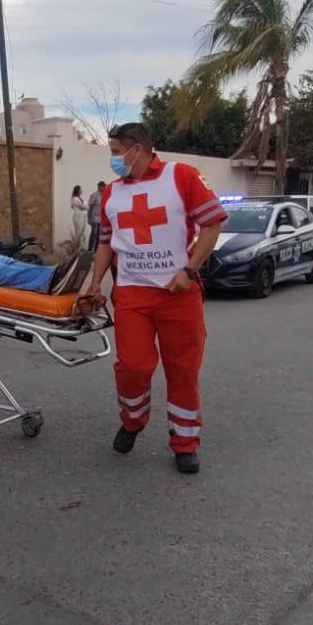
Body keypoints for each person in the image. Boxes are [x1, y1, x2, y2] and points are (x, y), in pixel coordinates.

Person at [85, 122, 225, 475]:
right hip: (132, 293)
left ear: (137, 148)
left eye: (116, 152)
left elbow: (212, 225)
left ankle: (185, 443)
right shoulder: (111, 195)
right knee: (132, 366)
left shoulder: (182, 176)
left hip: (178, 294)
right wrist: (94, 284)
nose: (113, 160)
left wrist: (190, 271)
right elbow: (104, 242)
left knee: (183, 371)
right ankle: (132, 420)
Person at [88, 180, 106, 249]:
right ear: (99, 187)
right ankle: (90, 249)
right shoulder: (94, 195)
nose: (104, 188)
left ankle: (96, 249)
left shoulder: (104, 195)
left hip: (101, 218)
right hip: (94, 217)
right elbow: (89, 207)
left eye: (104, 186)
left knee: (99, 235)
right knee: (94, 233)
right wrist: (89, 218)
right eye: (103, 186)